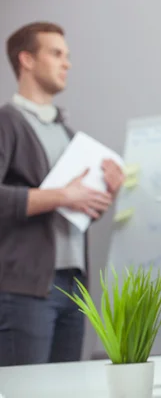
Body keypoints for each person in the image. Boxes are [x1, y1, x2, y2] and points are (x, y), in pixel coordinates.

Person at [0, 22, 124, 366]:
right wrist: (61, 196)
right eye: (56, 54)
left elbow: (75, 206)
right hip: (26, 290)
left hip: (73, 287)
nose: (66, 63)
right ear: (26, 59)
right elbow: (60, 198)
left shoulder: (67, 133)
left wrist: (103, 194)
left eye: (67, 56)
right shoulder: (6, 122)